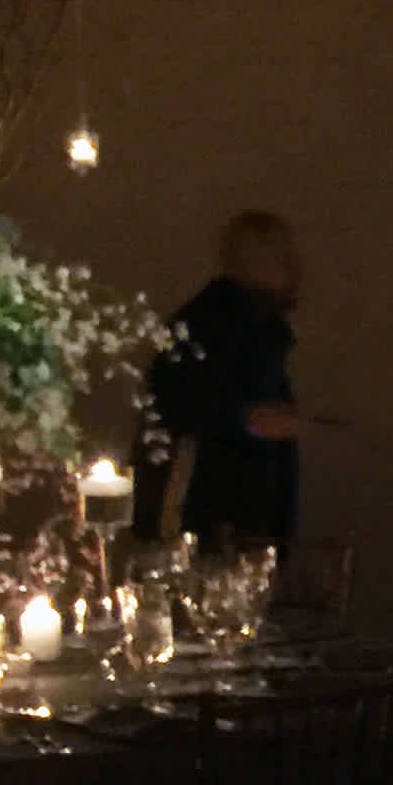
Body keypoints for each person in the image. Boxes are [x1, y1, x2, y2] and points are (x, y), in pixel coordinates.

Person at [138, 211, 304, 546]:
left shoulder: (248, 328)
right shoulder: (217, 326)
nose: (294, 268)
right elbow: (182, 406)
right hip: (213, 512)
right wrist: (250, 420)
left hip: (236, 511)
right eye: (281, 256)